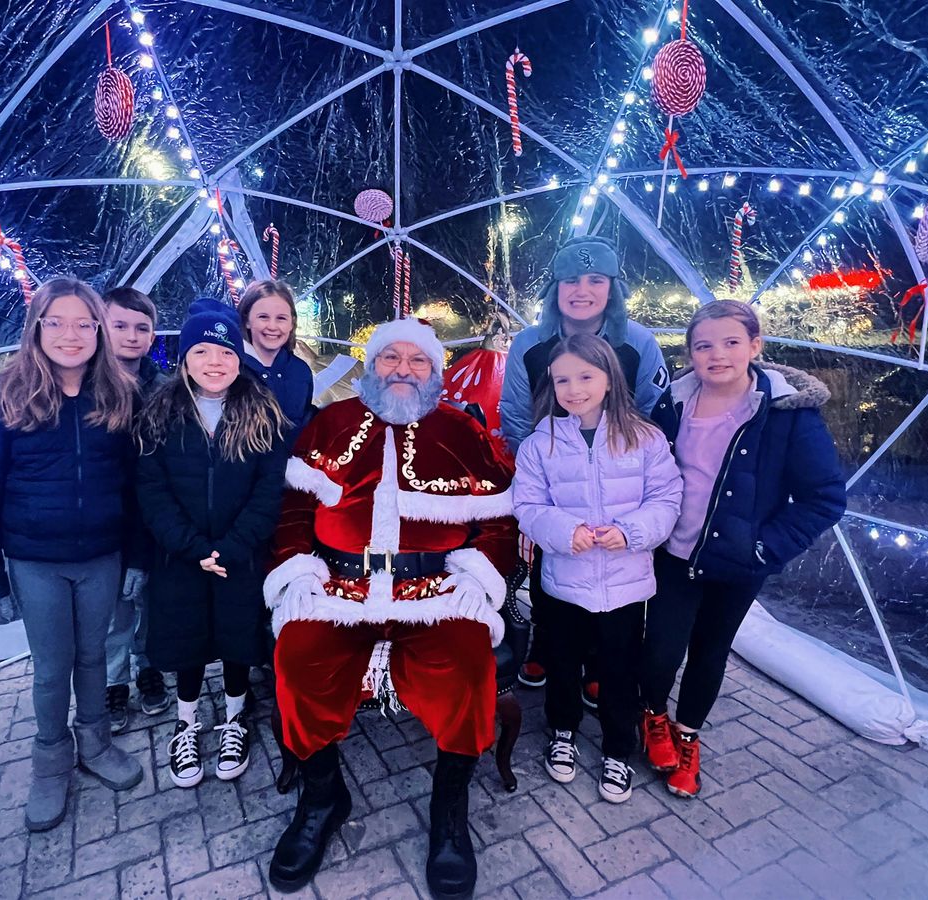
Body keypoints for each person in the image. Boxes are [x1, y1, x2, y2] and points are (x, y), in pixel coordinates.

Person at [263, 318, 517, 898]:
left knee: (468, 671)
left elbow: (499, 521)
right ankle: (323, 799)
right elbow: (296, 508)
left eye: (417, 360)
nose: (403, 369)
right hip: (336, 590)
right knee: (299, 661)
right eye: (389, 358)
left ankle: (449, 813)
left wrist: (479, 577)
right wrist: (296, 570)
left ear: (436, 370)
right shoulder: (329, 423)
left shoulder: (462, 430)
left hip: (436, 595)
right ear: (370, 364)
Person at [639, 300, 845, 798]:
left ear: (755, 346)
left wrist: (762, 549)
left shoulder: (786, 414)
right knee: (662, 647)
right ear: (690, 352)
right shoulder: (674, 403)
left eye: (731, 342)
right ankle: (653, 717)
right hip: (673, 554)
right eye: (703, 345)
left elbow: (824, 498)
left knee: (710, 652)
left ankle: (689, 736)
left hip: (738, 563)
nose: (717, 355)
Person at [0, 277, 144, 833]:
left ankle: (95, 743)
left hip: (101, 556)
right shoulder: (5, 395)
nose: (71, 335)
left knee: (93, 656)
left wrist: (136, 555)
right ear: (37, 327)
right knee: (51, 667)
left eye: (84, 324)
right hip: (35, 560)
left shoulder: (118, 394)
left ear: (98, 331)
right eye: (57, 322)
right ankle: (49, 762)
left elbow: (135, 486)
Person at [513, 334, 682, 802]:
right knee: (562, 663)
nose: (574, 388)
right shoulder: (540, 442)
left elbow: (667, 498)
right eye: (563, 378)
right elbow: (527, 503)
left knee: (618, 668)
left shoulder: (643, 438)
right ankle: (562, 733)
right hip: (565, 583)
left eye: (586, 376)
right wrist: (564, 530)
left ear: (609, 379)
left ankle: (617, 748)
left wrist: (632, 531)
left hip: (625, 587)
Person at [501, 236, 669, 696]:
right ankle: (546, 647)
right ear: (554, 287)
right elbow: (515, 412)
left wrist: (629, 463)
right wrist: (538, 467)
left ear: (612, 287)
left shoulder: (638, 343)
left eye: (596, 279)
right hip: (553, 475)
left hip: (620, 482)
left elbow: (654, 408)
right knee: (549, 569)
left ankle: (599, 663)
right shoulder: (530, 345)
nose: (582, 289)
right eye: (570, 279)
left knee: (616, 570)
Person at [136, 298, 288, 788]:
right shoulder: (159, 415)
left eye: (224, 352)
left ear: (238, 357)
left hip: (240, 556)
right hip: (181, 557)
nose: (215, 362)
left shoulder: (262, 414)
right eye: (202, 352)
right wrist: (193, 547)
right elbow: (152, 492)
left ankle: (235, 717)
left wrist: (233, 546)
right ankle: (186, 722)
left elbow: (269, 491)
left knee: (238, 635)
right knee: (188, 640)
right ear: (185, 360)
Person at [101, 286, 170, 730]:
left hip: (151, 517)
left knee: (150, 602)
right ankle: (112, 684)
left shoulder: (163, 390)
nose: (131, 336)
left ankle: (149, 671)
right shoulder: (83, 388)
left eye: (141, 328)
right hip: (105, 522)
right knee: (113, 613)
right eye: (120, 325)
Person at [238, 279, 315, 435]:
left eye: (281, 318)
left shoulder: (300, 371)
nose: (272, 326)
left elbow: (304, 424)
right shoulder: (231, 369)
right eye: (263, 317)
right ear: (247, 320)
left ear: (292, 323)